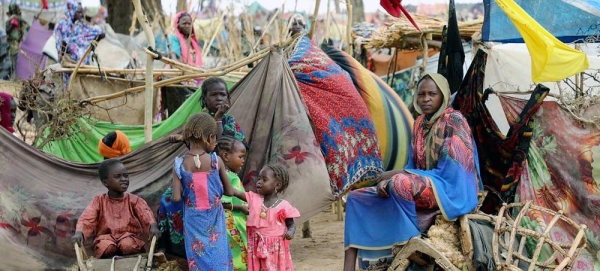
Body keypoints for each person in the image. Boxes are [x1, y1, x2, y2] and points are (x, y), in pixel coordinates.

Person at [342, 73, 481, 270]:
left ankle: (412, 245)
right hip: (421, 185)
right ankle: (348, 267)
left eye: (432, 94)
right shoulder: (418, 123)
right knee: (357, 198)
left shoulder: (454, 121)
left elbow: (454, 173)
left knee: (399, 183)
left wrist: (394, 176)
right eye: (421, 94)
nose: (426, 99)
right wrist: (393, 178)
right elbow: (412, 166)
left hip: (450, 189)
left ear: (443, 95)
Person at [171, 112, 235, 270]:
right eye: (215, 139)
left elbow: (176, 197)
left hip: (193, 221)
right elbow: (230, 192)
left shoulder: (180, 164)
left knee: (198, 259)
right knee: (218, 254)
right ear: (210, 137)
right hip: (214, 219)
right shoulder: (215, 161)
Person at [71, 159, 161, 259]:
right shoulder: (99, 201)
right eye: (118, 176)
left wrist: (152, 226)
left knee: (128, 245)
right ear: (106, 182)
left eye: (125, 175)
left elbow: (145, 213)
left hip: (129, 237)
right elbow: (87, 218)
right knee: (107, 247)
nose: (124, 179)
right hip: (106, 239)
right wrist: (79, 233)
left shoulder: (134, 200)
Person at [230, 164, 300, 271]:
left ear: (277, 184)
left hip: (275, 250)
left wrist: (291, 231)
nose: (259, 182)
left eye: (264, 179)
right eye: (258, 179)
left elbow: (291, 224)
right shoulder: (254, 199)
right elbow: (235, 192)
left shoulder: (283, 206)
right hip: (256, 248)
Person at [169, 77, 245, 143]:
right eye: (213, 95)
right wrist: (183, 138)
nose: (219, 98)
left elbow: (225, 146)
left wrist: (218, 119)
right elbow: (196, 143)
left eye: (223, 94)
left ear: (228, 98)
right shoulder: (199, 120)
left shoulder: (230, 121)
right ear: (204, 98)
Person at [217, 136, 249, 270]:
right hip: (233, 225)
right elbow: (223, 204)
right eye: (240, 157)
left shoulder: (217, 174)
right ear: (226, 156)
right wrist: (241, 207)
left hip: (225, 224)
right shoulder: (231, 177)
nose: (243, 161)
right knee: (240, 260)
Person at [55, 0, 104, 65]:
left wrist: (99, 34)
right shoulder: (62, 25)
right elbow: (60, 43)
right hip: (67, 60)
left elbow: (89, 31)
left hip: (81, 62)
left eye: (81, 12)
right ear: (72, 11)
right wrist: (67, 47)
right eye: (78, 12)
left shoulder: (81, 24)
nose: (81, 15)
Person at [5, 3, 29, 79]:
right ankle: (16, 78)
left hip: (14, 44)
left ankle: (15, 79)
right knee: (15, 61)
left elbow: (8, 31)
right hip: (17, 43)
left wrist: (11, 26)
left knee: (14, 61)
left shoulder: (15, 19)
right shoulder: (17, 18)